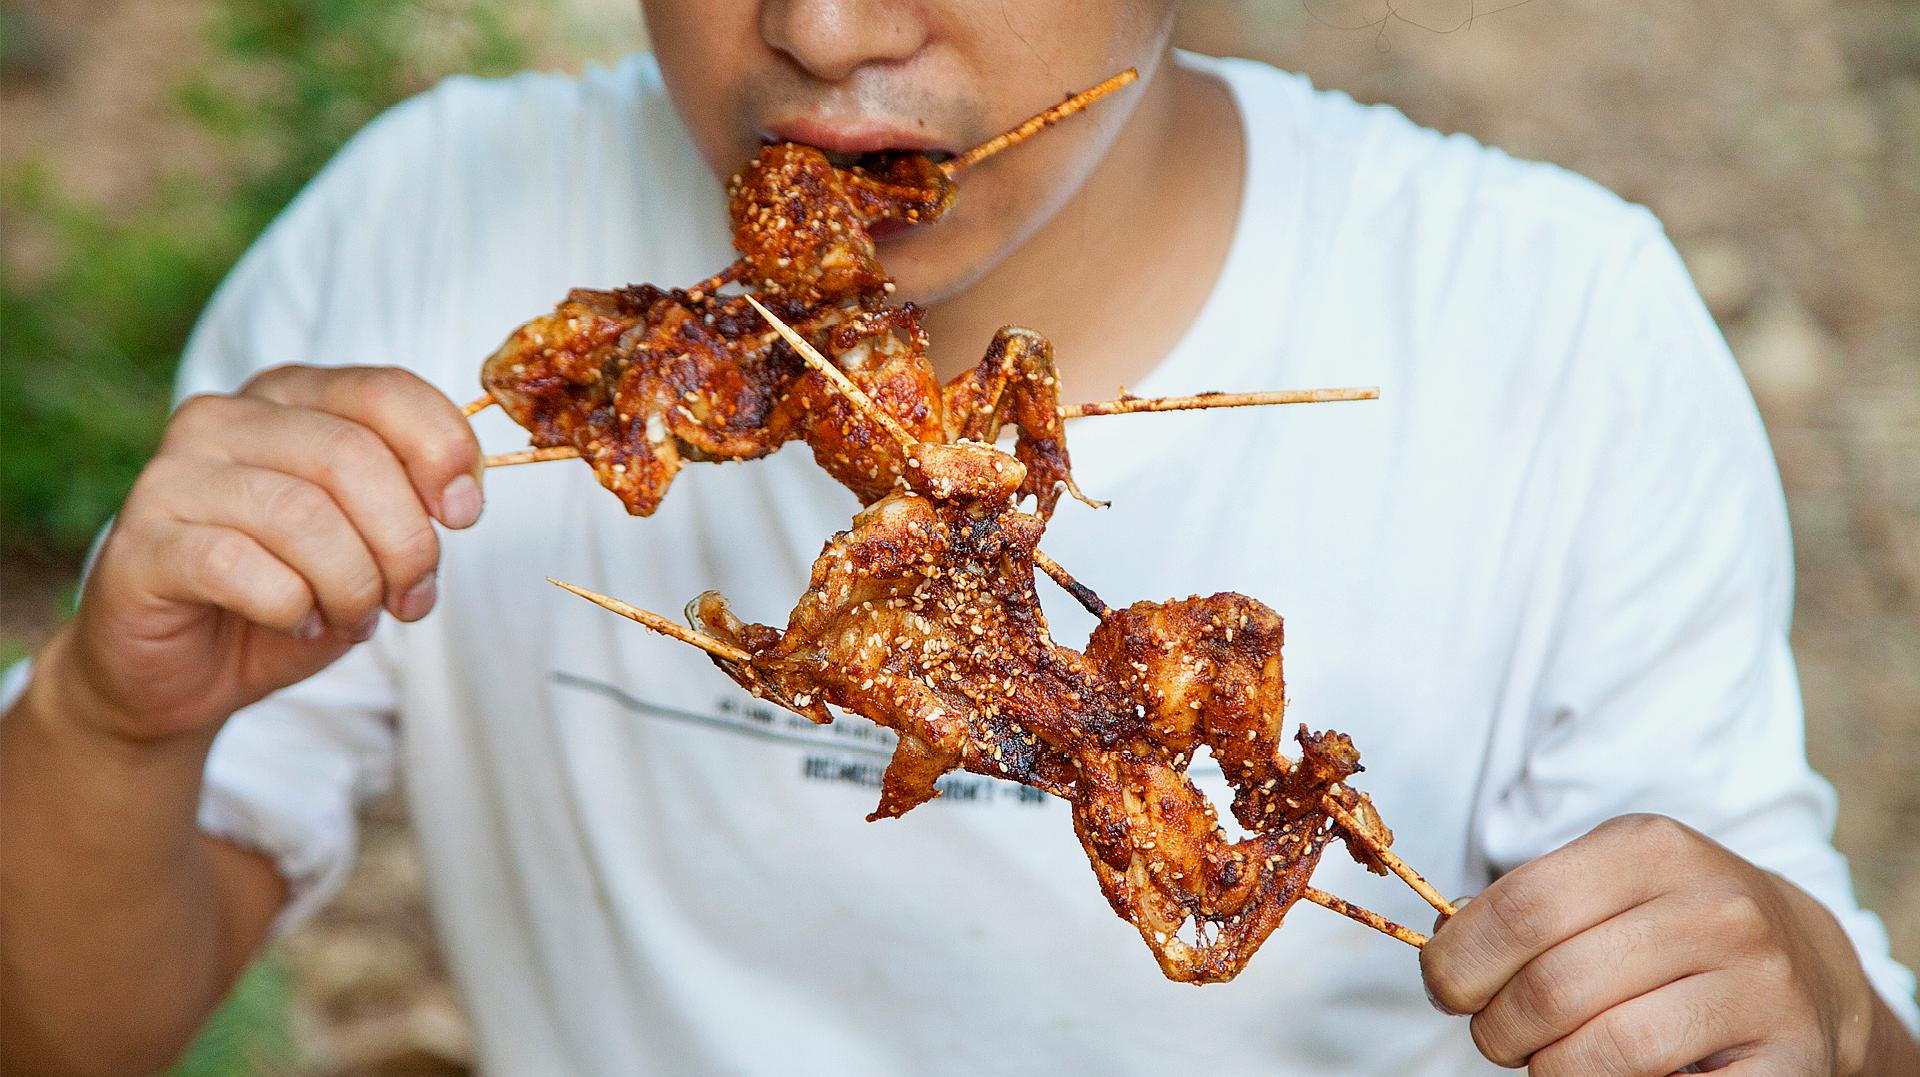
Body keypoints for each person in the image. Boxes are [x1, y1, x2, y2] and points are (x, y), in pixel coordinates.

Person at [3, 1, 1915, 1073]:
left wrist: (1818, 1016)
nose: (827, 28)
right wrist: (109, 720)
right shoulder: (416, 249)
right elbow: (61, 1030)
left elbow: (1787, 1007)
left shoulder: (1548, 326)